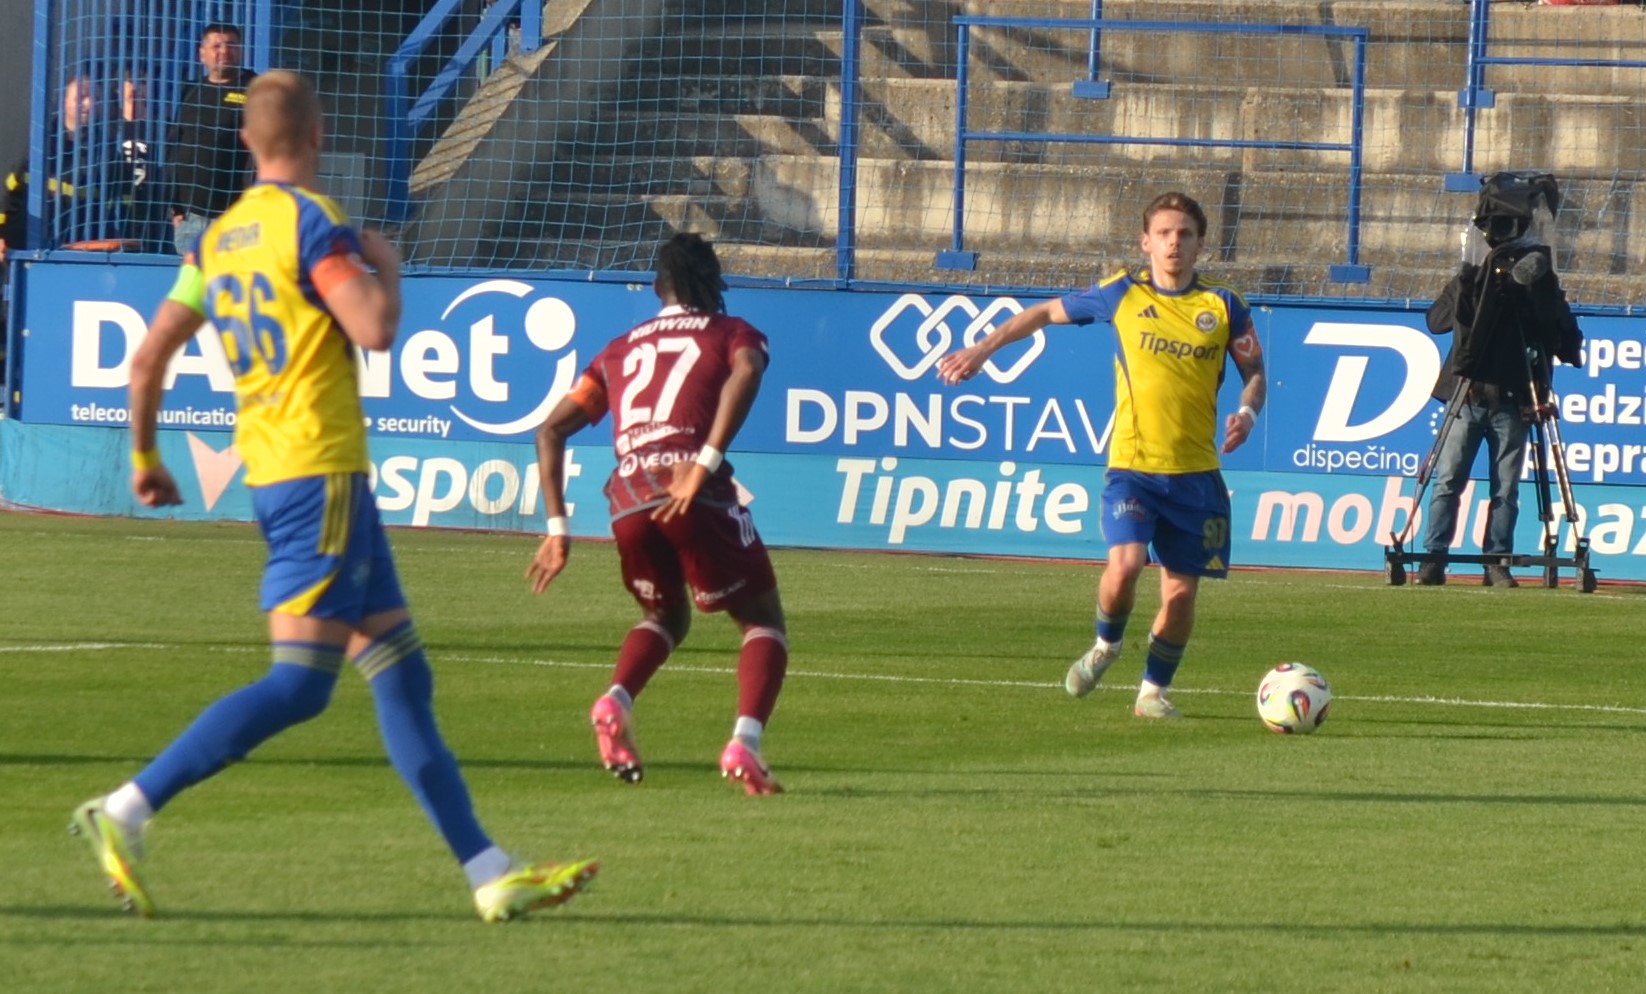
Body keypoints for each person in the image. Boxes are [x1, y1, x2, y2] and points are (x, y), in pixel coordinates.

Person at [71, 71, 596, 923]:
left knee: (401, 673)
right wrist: (386, 267)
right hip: (320, 474)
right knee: (300, 685)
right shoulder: (312, 224)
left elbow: (148, 357)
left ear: (248, 140)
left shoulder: (218, 241)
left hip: (280, 475)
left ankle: (490, 872)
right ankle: (126, 809)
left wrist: (143, 457)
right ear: (317, 136)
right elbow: (374, 328)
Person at [937, 192, 1266, 720]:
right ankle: (1106, 645)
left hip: (1198, 476)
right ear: (1146, 242)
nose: (1174, 243)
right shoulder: (1121, 293)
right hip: (1133, 469)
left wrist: (1246, 415)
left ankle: (1152, 692)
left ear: (1201, 244)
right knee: (1126, 564)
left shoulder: (1225, 305)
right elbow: (1044, 312)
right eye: (1164, 233)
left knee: (1181, 597)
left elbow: (1255, 374)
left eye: (1184, 234)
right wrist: (982, 349)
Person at [527, 233, 789, 795]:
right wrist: (704, 461)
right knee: (762, 620)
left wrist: (556, 529)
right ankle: (744, 743)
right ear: (714, 281)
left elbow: (549, 430)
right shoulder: (731, 332)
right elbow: (747, 370)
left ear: (656, 288)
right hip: (690, 490)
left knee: (667, 617)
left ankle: (614, 700)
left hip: (628, 498)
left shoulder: (618, 350)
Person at [1416, 171, 1582, 588]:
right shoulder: (1472, 278)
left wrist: (1525, 286)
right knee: (1448, 481)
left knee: (1505, 488)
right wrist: (1467, 280)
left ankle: (1496, 561)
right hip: (1468, 397)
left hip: (1512, 398)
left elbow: (1553, 327)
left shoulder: (1534, 278)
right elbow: (1436, 321)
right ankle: (1433, 559)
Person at [1, 72, 137, 256]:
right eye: (81, 96)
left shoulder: (109, 153)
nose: (88, 104)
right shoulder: (39, 147)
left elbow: (123, 207)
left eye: (95, 98)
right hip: (30, 250)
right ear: (64, 100)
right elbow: (10, 196)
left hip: (82, 255)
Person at [167, 23, 257, 255]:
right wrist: (175, 206)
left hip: (236, 218)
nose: (224, 51)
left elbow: (263, 153)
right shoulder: (191, 91)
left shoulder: (256, 90)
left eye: (231, 45)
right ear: (202, 53)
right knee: (193, 277)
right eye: (217, 45)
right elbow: (174, 146)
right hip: (191, 217)